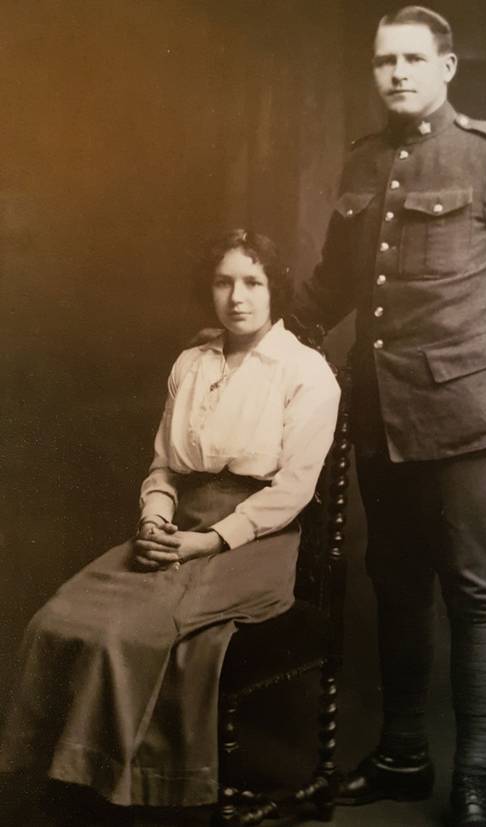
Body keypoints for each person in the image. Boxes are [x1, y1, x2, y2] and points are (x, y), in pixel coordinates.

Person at [288, 6, 486, 826]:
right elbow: (334, 282)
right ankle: (402, 754)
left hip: (473, 425)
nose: (396, 73)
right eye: (383, 60)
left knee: (475, 597)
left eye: (413, 59)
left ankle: (474, 777)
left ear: (447, 67)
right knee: (396, 585)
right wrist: (273, 338)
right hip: (382, 418)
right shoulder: (364, 160)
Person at [0, 229, 341, 817]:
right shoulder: (191, 364)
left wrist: (206, 541)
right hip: (177, 529)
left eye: (253, 282)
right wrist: (156, 521)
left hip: (253, 544)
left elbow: (291, 492)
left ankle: (109, 791)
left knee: (123, 634)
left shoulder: (307, 373)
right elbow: (164, 467)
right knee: (57, 618)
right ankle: (55, 780)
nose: (237, 297)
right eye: (224, 282)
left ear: (275, 290)